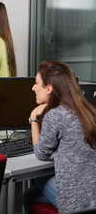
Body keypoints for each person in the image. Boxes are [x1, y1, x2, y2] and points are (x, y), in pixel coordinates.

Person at [23, 60, 96, 213]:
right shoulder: (88, 110)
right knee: (30, 195)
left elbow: (40, 154)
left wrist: (34, 118)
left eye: (36, 83)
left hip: (77, 202)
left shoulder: (56, 115)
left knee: (34, 180)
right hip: (93, 194)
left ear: (49, 88)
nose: (33, 88)